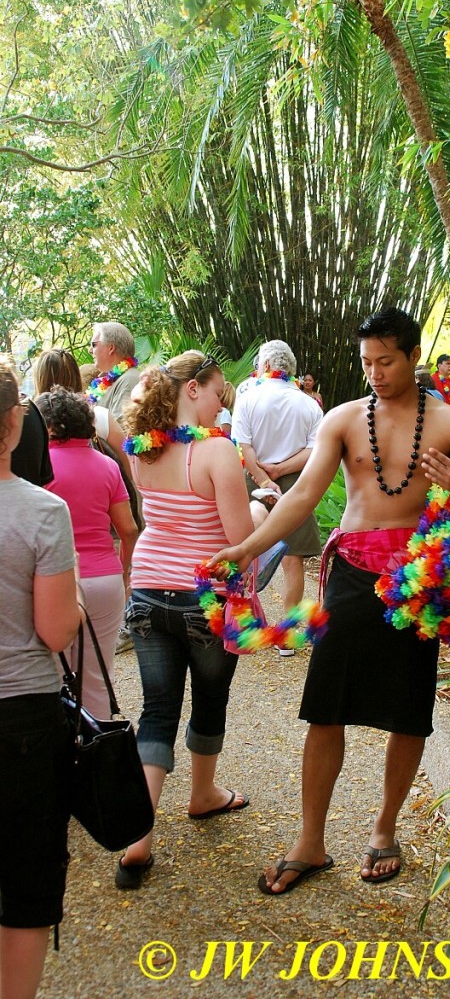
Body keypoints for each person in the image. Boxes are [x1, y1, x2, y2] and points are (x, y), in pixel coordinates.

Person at [210, 307, 450, 894]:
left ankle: (384, 829)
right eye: (367, 363)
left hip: (418, 585)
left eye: (387, 361)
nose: (376, 373)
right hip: (352, 577)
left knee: (409, 711)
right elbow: (303, 494)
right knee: (324, 708)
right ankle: (310, 840)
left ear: (413, 357)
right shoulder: (339, 419)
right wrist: (248, 547)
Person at [115, 351, 268, 890]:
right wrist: (260, 511)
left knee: (156, 710)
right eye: (219, 389)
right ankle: (203, 795)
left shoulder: (142, 449)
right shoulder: (215, 451)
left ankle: (138, 838)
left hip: (149, 591)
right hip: (203, 599)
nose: (223, 399)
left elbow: (156, 519)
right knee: (209, 698)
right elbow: (237, 545)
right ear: (195, 389)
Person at [0, 358, 81, 999]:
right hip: (21, 717)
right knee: (24, 881)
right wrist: (77, 606)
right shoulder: (41, 513)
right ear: (14, 424)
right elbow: (56, 632)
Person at [35, 388, 138, 720]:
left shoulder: (40, 468)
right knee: (97, 676)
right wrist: (123, 573)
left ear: (47, 427)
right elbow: (129, 529)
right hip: (104, 580)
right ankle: (98, 760)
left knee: (53, 674)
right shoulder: (107, 466)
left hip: (56, 581)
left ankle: (62, 758)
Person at [231, 340, 323, 652]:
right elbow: (314, 451)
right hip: (295, 482)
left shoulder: (247, 397)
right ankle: (286, 636)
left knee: (245, 549)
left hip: (253, 479)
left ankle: (241, 625)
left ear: (267, 366)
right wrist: (282, 469)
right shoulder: (309, 404)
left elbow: (244, 446)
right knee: (292, 558)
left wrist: (263, 476)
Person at [88, 322, 141, 423]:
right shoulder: (107, 381)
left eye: (93, 345)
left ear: (111, 348)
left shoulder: (129, 379)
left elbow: (122, 432)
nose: (90, 350)